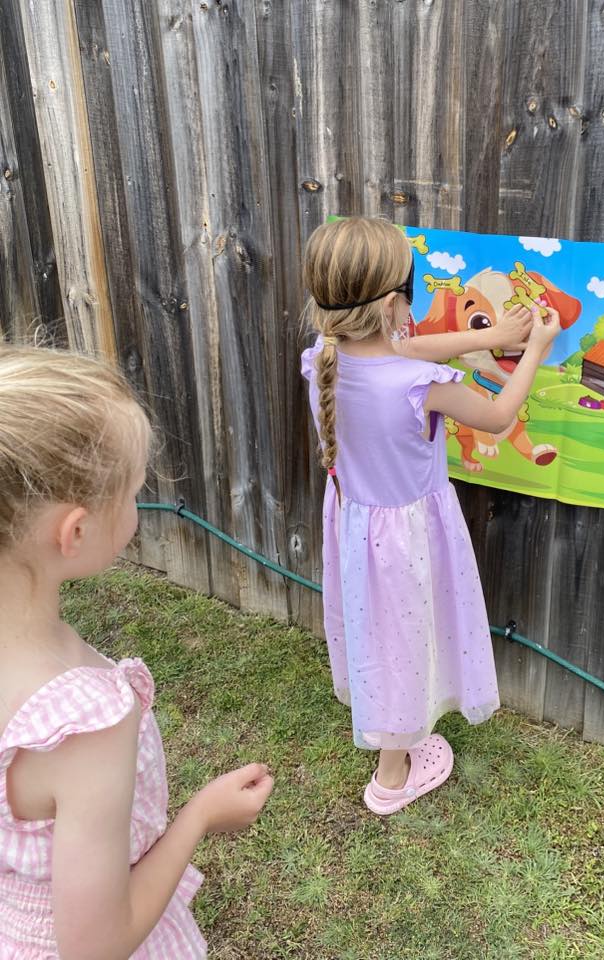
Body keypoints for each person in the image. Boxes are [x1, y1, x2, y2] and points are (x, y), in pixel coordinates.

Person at [0, 345, 274, 959]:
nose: (137, 506)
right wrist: (201, 816)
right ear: (75, 531)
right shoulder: (84, 726)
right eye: (132, 492)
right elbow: (96, 945)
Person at [300, 217, 561, 815]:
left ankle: (392, 736)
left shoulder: (324, 358)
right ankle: (391, 778)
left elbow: (404, 349)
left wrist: (489, 334)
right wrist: (535, 349)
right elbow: (498, 416)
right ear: (394, 305)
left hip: (358, 529)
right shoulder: (420, 384)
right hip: (405, 543)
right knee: (402, 644)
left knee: (381, 637)